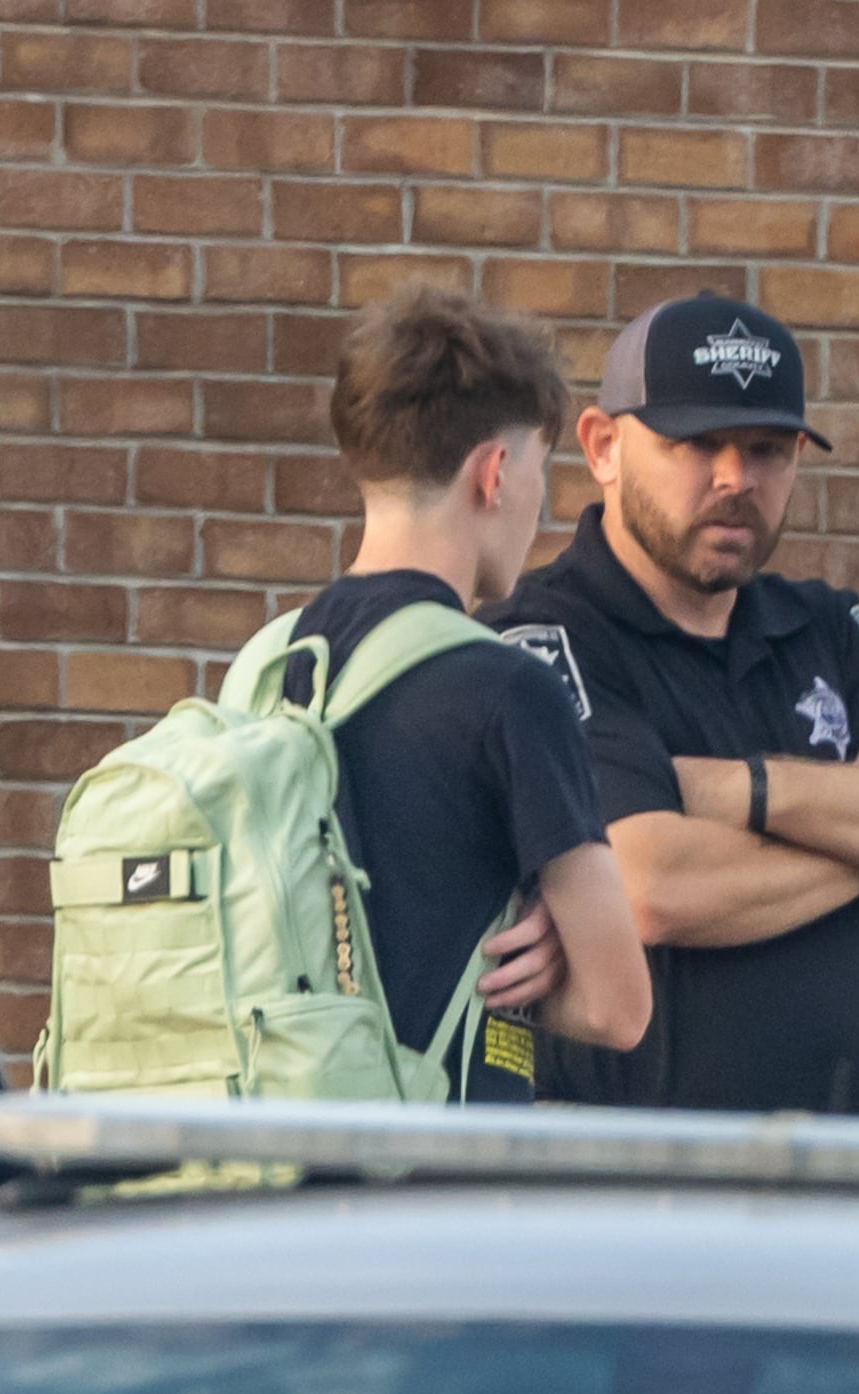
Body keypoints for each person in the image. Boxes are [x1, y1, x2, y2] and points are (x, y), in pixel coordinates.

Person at [488, 293, 859, 1115]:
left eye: (768, 449)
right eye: (698, 443)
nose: (736, 477)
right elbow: (647, 885)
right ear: (603, 446)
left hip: (834, 1179)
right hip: (626, 1179)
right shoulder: (546, 634)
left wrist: (738, 791)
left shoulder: (826, 628)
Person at [279, 284, 647, 1097]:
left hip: (277, 1167)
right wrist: (539, 972)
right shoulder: (511, 690)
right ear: (495, 472)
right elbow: (620, 1007)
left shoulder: (270, 668)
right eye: (541, 469)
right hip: (430, 1181)